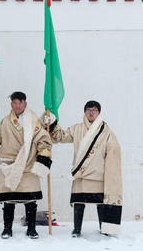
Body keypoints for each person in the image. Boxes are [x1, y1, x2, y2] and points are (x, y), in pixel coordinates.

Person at [43, 100, 122, 237]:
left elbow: (114, 151)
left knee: (100, 204)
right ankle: (77, 229)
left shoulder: (106, 132)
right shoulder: (77, 128)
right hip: (81, 175)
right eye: (88, 110)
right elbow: (60, 136)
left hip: (98, 175)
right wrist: (52, 123)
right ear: (85, 112)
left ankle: (104, 228)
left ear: (99, 113)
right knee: (79, 203)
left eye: (94, 110)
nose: (91, 113)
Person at [0, 92, 52, 239]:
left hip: (28, 165)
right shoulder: (5, 122)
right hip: (9, 164)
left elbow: (43, 140)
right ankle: (7, 229)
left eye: (19, 103)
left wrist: (43, 158)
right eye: (14, 103)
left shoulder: (34, 121)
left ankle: (31, 228)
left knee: (30, 201)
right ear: (11, 104)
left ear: (25, 103)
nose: (17, 106)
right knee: (8, 201)